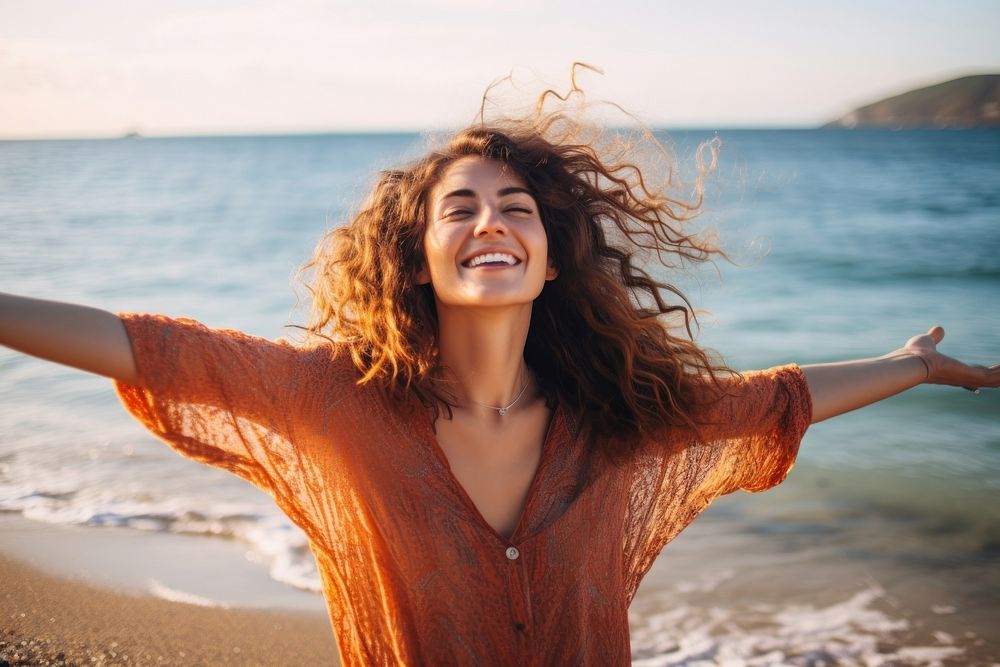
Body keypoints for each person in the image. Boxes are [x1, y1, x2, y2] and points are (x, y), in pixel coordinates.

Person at [1, 76, 997, 665]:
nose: (490, 220)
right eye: (459, 208)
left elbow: (772, 399)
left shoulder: (621, 413)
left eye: (516, 206)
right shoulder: (329, 393)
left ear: (552, 255)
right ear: (417, 254)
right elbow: (142, 344)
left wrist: (908, 367)